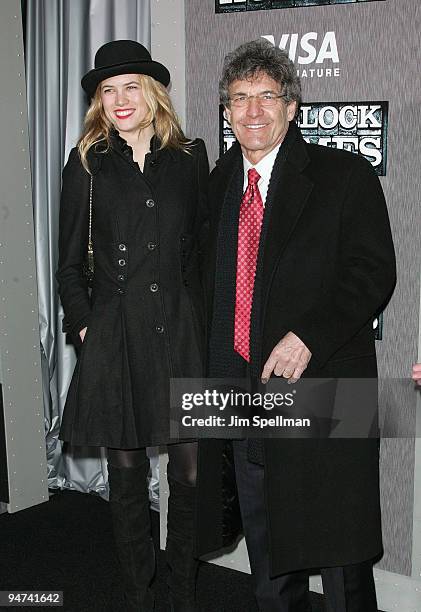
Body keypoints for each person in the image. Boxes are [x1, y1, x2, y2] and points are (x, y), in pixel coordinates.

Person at [195, 40, 396, 611]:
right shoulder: (215, 183)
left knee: (342, 559)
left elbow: (372, 271)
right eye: (239, 98)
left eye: (267, 96)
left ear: (292, 107)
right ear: (226, 111)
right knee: (267, 548)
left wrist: (308, 335)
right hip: (243, 391)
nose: (252, 110)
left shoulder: (344, 175)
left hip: (328, 386)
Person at [56, 40, 208, 612]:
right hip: (115, 336)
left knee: (190, 472)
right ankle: (138, 595)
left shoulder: (191, 157)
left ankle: (181, 590)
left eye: (130, 86)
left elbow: (199, 252)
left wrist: (201, 322)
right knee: (126, 476)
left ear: (153, 93)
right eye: (107, 90)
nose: (119, 100)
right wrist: (86, 326)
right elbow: (69, 263)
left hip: (179, 332)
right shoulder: (88, 161)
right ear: (99, 101)